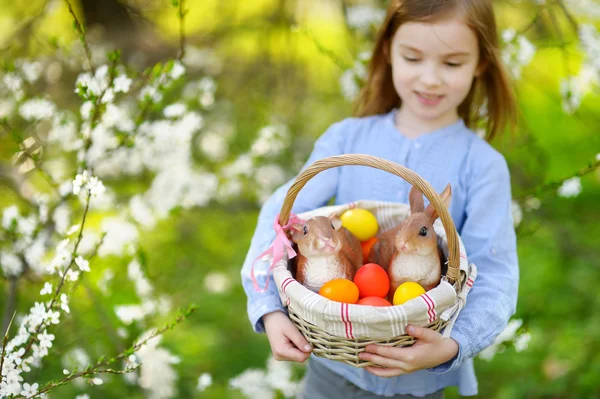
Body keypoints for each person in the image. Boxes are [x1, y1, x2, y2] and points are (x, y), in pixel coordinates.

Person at [241, 0, 519, 397]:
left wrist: (453, 345)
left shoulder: (483, 165)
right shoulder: (346, 138)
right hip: (331, 370)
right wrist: (268, 305)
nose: (430, 79)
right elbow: (283, 216)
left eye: (452, 64)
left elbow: (495, 272)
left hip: (420, 378)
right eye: (413, 57)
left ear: (480, 64)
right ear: (388, 50)